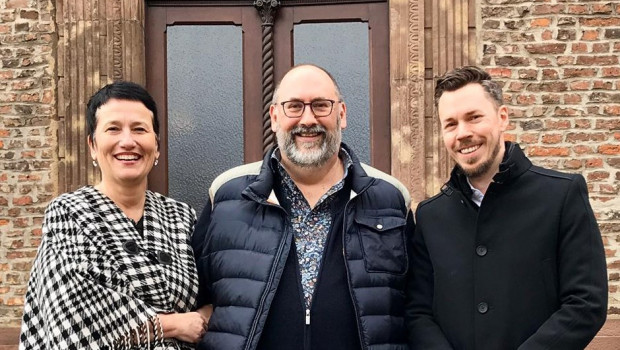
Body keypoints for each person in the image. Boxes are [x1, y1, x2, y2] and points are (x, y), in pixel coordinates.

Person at [192, 64, 414, 350]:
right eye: (294, 106)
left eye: (321, 105)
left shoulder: (390, 198)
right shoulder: (227, 195)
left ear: (342, 114)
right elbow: (196, 298)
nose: (308, 119)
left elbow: (412, 306)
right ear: (274, 117)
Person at [406, 66, 608, 349]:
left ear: (502, 118)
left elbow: (586, 303)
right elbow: (418, 313)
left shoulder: (562, 195)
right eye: (450, 124)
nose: (463, 133)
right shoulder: (429, 216)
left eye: (474, 117)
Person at [19, 81, 211, 349]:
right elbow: (73, 320)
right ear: (93, 146)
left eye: (139, 129)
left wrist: (203, 317)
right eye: (113, 129)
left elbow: (216, 295)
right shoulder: (69, 214)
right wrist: (174, 325)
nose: (128, 141)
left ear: (156, 146)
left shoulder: (181, 217)